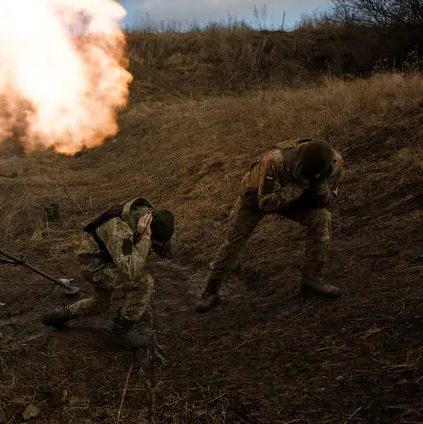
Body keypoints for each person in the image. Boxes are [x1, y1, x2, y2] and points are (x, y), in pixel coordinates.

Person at [195, 138, 345, 313]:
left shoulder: (335, 163)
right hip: (255, 198)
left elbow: (327, 202)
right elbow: (265, 203)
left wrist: (318, 185)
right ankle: (210, 291)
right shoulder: (275, 160)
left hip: (293, 197)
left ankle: (312, 279)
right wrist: (297, 187)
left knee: (322, 218)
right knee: (233, 242)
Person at [40, 198, 175, 348]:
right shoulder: (120, 229)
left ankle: (60, 315)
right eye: (155, 241)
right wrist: (145, 239)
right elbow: (129, 271)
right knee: (144, 282)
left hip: (109, 259)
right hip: (95, 266)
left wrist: (156, 238)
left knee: (101, 304)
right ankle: (120, 334)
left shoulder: (150, 217)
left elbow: (169, 248)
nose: (156, 246)